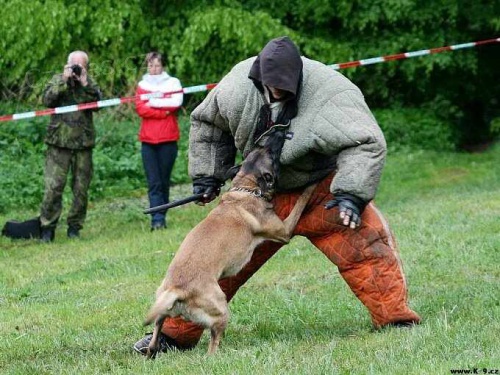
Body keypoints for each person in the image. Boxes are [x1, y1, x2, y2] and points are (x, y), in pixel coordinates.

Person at [133, 36, 421, 354]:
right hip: (255, 195)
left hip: (321, 189)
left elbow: (366, 141)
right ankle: (172, 337)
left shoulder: (332, 92)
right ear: (259, 77)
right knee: (216, 264)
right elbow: (206, 123)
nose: (278, 92)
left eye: (285, 87)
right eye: (273, 87)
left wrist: (351, 194)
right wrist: (208, 176)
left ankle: (395, 319)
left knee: (366, 248)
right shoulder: (236, 86)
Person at [39, 51, 102, 242]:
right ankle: (47, 228)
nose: (76, 68)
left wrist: (84, 82)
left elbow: (98, 104)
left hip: (83, 144)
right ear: (66, 65)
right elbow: (47, 100)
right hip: (59, 143)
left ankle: (74, 227)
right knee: (53, 186)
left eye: (80, 65)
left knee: (81, 189)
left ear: (86, 67)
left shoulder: (89, 83)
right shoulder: (57, 80)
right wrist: (64, 81)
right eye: (73, 64)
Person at [134, 52, 183, 231]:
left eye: (156, 65)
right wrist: (162, 109)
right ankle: (157, 219)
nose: (153, 69)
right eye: (150, 65)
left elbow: (176, 102)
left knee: (163, 181)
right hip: (148, 140)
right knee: (153, 182)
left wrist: (152, 103)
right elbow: (141, 109)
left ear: (162, 66)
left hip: (168, 138)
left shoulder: (173, 83)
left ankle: (163, 213)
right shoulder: (142, 85)